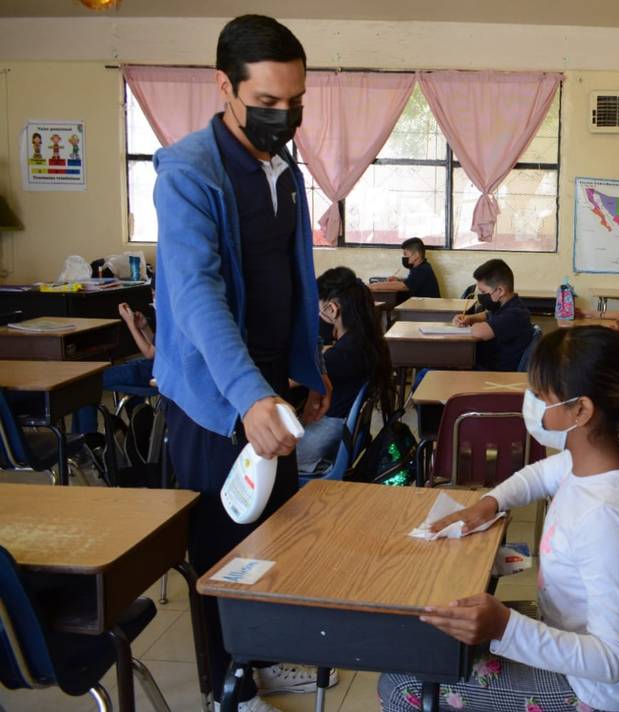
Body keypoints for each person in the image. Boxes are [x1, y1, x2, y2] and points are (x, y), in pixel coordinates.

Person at [151, 15, 335, 711]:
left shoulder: (283, 171)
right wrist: (247, 397)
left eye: (295, 105)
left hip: (271, 384)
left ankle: (258, 656)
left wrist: (306, 367)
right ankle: (224, 682)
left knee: (273, 529)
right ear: (224, 86)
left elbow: (293, 281)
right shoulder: (188, 174)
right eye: (266, 105)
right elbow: (198, 299)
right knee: (222, 542)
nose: (283, 119)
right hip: (215, 392)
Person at [380, 326, 619, 712]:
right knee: (426, 644)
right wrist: (488, 503)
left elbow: (611, 659)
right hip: (574, 650)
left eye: (540, 395)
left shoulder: (606, 516)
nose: (530, 402)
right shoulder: (591, 459)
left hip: (594, 692)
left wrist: (505, 627)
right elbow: (538, 475)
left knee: (403, 685)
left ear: (581, 410)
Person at [297, 267, 395, 475]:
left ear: (332, 309)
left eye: (318, 308)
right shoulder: (366, 342)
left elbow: (287, 380)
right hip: (339, 436)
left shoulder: (341, 356)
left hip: (319, 445)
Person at [72, 300, 156, 434]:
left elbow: (150, 353)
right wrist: (144, 327)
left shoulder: (172, 313)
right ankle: (78, 441)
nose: (153, 299)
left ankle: (88, 441)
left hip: (152, 371)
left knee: (87, 382)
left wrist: (130, 324)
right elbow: (158, 347)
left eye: (154, 294)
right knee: (81, 382)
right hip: (146, 366)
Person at [453, 258, 534, 371]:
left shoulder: (514, 314)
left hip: (495, 375)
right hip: (487, 366)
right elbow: (488, 315)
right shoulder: (505, 306)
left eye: (483, 292)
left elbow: (479, 332)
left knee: (429, 373)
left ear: (500, 291)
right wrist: (469, 319)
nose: (481, 296)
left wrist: (472, 325)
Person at [371, 236, 441, 303]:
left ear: (416, 255)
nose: (404, 257)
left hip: (428, 311)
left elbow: (404, 286)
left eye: (405, 254)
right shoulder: (420, 267)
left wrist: (375, 285)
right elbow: (411, 283)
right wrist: (398, 281)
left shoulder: (422, 269)